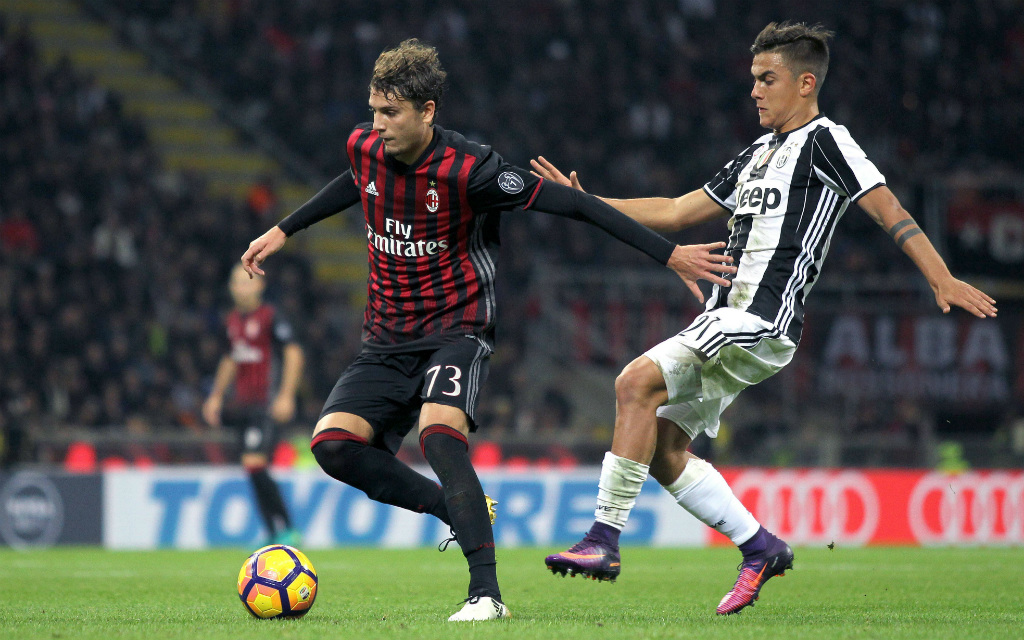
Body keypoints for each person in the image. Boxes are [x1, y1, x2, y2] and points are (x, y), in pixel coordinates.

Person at [240, 39, 736, 622]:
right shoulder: (365, 145)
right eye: (373, 110)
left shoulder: (473, 170)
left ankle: (486, 596)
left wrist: (669, 253)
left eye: (391, 113)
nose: (377, 125)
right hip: (387, 337)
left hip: (458, 328)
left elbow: (576, 207)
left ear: (428, 111)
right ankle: (456, 508)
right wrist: (285, 229)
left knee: (439, 434)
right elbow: (357, 178)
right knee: (331, 445)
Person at [533, 21, 997, 615]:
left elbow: (889, 209)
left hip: (758, 320)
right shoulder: (756, 153)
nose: (753, 90)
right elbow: (677, 211)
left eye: (766, 79)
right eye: (753, 78)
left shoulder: (828, 140)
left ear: (806, 83)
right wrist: (583, 204)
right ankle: (761, 548)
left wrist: (941, 277)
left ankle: (603, 540)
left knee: (633, 383)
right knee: (664, 448)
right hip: (727, 317)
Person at [202, 264, 305, 546]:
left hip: (266, 404)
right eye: (236, 283)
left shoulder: (272, 317)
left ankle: (288, 528)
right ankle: (274, 531)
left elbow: (294, 353)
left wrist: (286, 395)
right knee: (252, 467)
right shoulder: (232, 320)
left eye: (246, 282)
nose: (241, 288)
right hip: (242, 407)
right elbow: (230, 358)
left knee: (254, 460)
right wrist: (216, 396)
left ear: (260, 285)